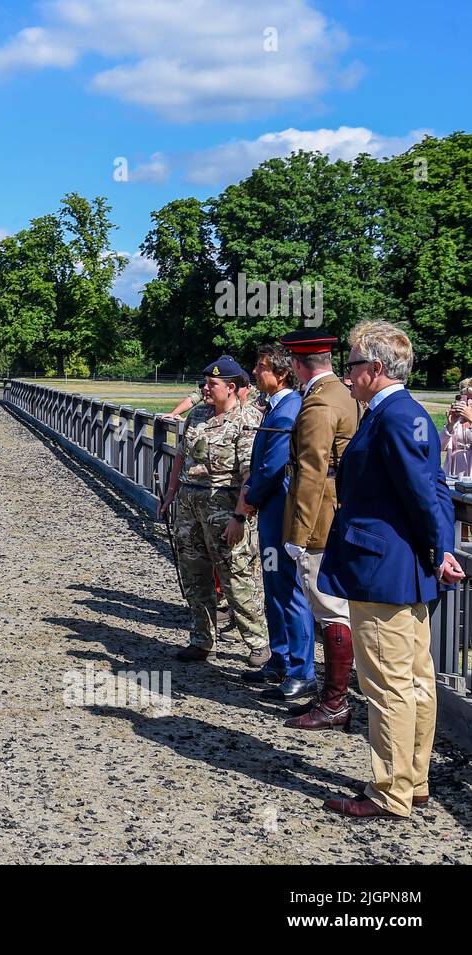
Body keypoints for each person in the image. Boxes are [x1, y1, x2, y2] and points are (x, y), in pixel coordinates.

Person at [318, 321, 464, 819]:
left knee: (386, 686)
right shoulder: (410, 412)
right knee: (415, 680)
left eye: (353, 364)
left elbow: (425, 494)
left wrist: (437, 548)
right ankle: (413, 781)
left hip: (384, 570)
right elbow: (436, 488)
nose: (347, 373)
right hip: (406, 568)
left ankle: (390, 791)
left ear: (375, 369)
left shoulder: (393, 417)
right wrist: (441, 548)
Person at [159, 356, 270, 665]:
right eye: (205, 383)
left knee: (236, 576)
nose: (204, 389)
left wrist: (239, 516)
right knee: (194, 575)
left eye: (212, 384)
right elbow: (181, 456)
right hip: (189, 505)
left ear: (232, 387)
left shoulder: (246, 419)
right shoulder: (198, 415)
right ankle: (201, 639)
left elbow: (250, 475)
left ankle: (259, 644)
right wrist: (170, 494)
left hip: (225, 506)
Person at [278, 329, 361, 731]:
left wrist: (297, 534)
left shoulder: (318, 403)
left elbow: (311, 471)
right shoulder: (344, 393)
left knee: (329, 611)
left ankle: (335, 703)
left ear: (296, 365)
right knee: (334, 610)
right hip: (340, 511)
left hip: (320, 520)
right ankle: (333, 698)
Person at [238, 345, 317, 701]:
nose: (255, 371)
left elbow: (271, 467)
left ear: (282, 374)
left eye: (262, 366)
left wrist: (249, 501)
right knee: (273, 585)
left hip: (279, 511)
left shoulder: (286, 411)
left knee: (288, 589)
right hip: (271, 511)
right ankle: (280, 658)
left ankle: (302, 670)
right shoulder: (276, 406)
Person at [441, 377, 472, 479]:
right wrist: (450, 425)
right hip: (453, 471)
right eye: (466, 398)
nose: (469, 402)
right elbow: (439, 446)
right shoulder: (457, 420)